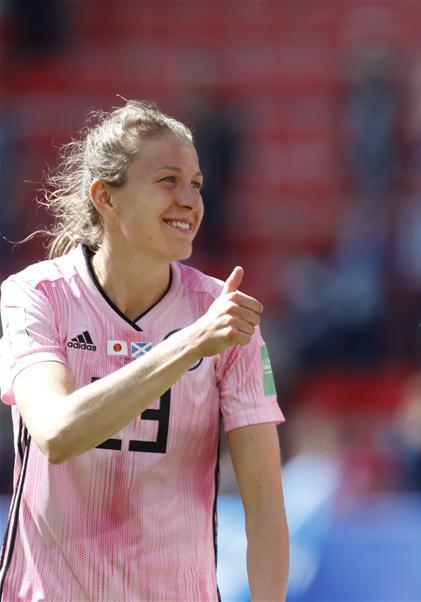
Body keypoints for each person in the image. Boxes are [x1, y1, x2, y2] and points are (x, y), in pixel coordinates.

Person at [0, 100, 288, 600]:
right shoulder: (36, 295)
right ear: (106, 199)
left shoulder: (223, 314)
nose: (190, 201)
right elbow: (56, 432)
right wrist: (188, 345)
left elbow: (264, 503)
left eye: (196, 184)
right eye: (168, 180)